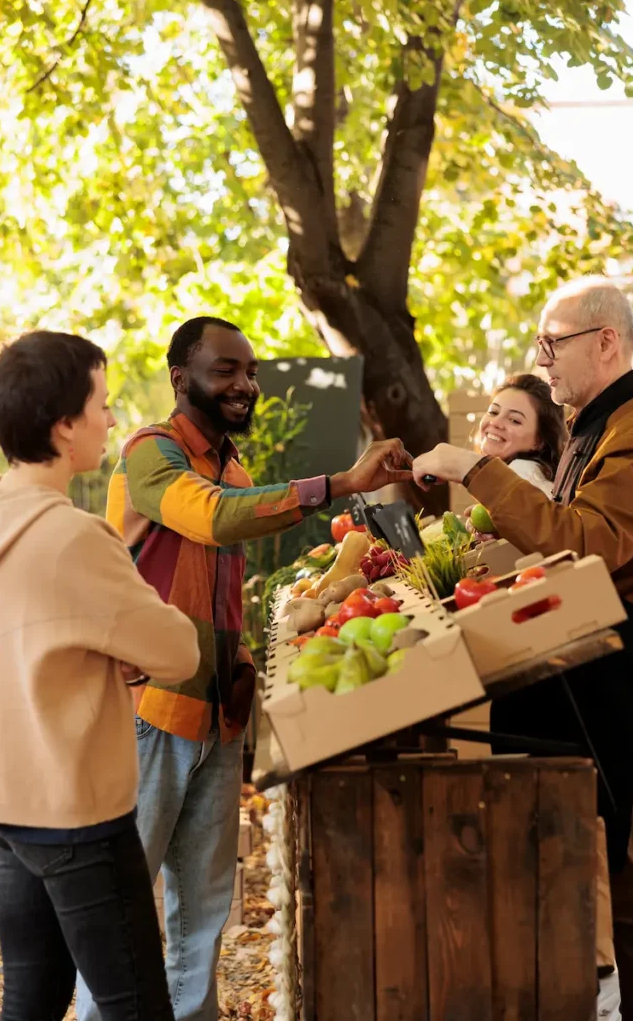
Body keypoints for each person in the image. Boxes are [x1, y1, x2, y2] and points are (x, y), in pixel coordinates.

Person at [77, 316, 412, 1021]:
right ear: (181, 378)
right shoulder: (150, 457)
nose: (244, 385)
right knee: (122, 909)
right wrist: (340, 482)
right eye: (225, 370)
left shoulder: (232, 466)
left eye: (249, 372)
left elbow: (220, 581)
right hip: (147, 716)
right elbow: (213, 519)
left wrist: (242, 662)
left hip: (217, 719)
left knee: (202, 916)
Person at [413, 276, 633, 1021]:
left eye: (552, 343)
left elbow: (589, 541)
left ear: (606, 341)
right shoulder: (598, 422)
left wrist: (475, 470)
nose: (543, 359)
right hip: (600, 663)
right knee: (609, 873)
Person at [0, 330, 201, 1021]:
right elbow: (178, 652)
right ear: (63, 425)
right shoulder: (78, 537)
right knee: (136, 1006)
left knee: (30, 996)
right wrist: (122, 651)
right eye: (102, 404)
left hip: (7, 810)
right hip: (78, 813)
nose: (111, 420)